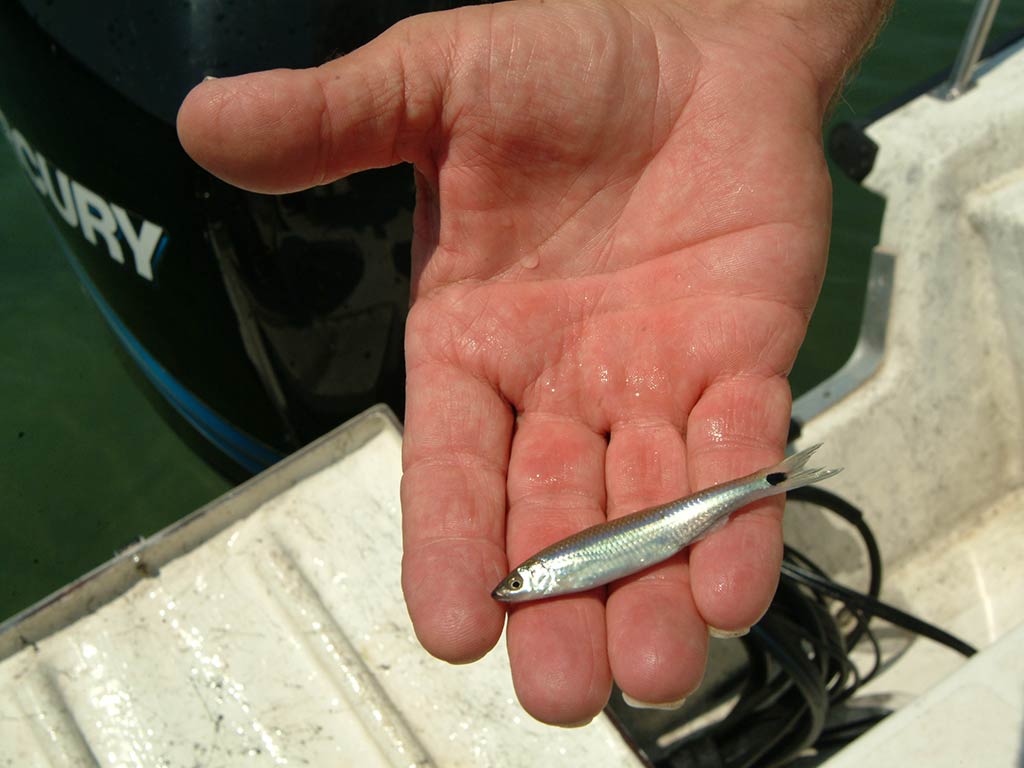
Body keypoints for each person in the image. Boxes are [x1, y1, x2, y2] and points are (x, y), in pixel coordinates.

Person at [177, 0, 891, 727]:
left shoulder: (545, 569)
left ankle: (767, 483)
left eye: (524, 579)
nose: (520, 584)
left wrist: (759, 51)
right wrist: (761, 39)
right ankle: (765, 484)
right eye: (522, 580)